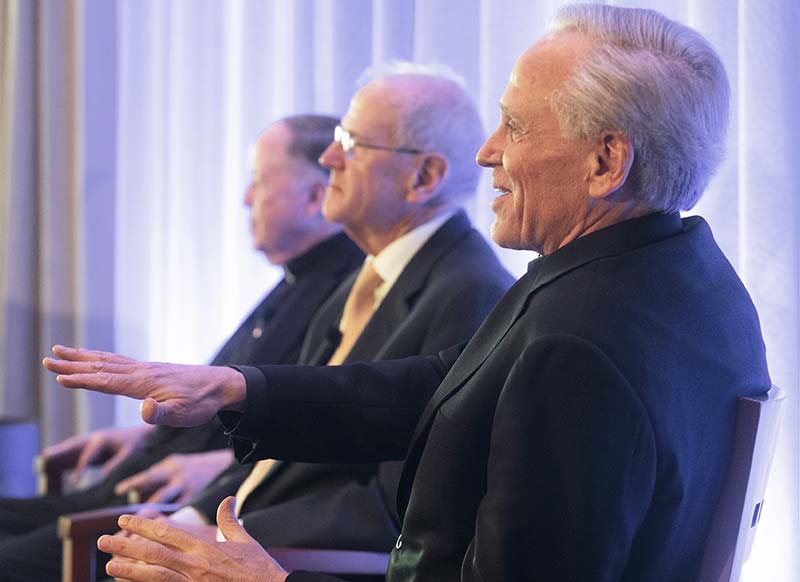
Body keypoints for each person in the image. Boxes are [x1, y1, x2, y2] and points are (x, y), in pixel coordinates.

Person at [44, 4, 772, 582]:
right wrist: (236, 389)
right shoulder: (671, 278)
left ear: (606, 160)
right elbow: (442, 388)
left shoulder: (578, 348)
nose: (487, 151)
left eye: (514, 125)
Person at [158, 63, 512, 553]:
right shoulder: (358, 282)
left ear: (424, 177)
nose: (328, 158)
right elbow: (282, 462)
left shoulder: (470, 292)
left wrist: (223, 538)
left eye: (350, 144)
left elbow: (398, 504)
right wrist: (189, 515)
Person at [0, 114, 364, 579]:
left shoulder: (347, 291)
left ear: (315, 196)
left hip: (181, 507)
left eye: (259, 182)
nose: (245, 199)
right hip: (138, 485)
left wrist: (219, 463)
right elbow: (222, 399)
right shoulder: (296, 279)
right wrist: (149, 433)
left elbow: (321, 423)